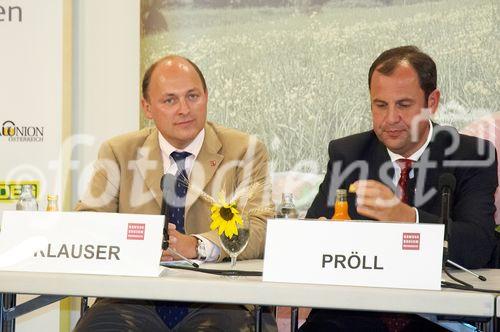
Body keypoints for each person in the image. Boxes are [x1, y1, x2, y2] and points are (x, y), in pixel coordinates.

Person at [301, 46, 497, 332]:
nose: (390, 118)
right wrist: (320, 235)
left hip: (436, 317)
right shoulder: (349, 154)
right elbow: (311, 240)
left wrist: (405, 217)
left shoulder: (471, 155)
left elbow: (478, 246)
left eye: (403, 105)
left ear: (432, 101)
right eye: (380, 105)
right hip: (353, 317)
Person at [74, 55, 276, 331]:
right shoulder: (119, 152)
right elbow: (87, 224)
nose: (184, 109)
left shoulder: (244, 150)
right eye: (170, 100)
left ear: (206, 96)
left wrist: (198, 245)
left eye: (193, 96)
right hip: (131, 298)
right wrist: (138, 245)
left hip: (220, 299)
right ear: (147, 107)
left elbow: (260, 228)